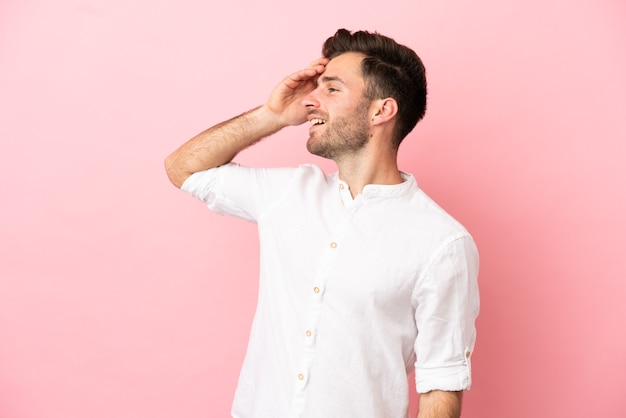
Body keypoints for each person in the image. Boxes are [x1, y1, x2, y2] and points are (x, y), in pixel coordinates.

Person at [165, 28, 479, 418]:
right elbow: (183, 168)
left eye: (331, 89)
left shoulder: (442, 242)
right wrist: (272, 116)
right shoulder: (288, 193)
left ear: (381, 110)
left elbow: (441, 382)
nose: (311, 100)